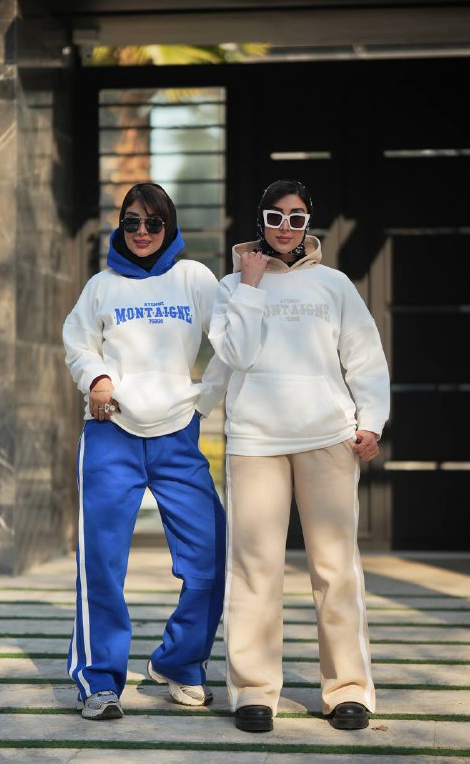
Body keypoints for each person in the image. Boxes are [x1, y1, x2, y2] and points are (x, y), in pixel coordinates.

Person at [208, 178, 390, 734]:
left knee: (335, 568)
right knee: (255, 568)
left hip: (326, 438)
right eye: (274, 216)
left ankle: (348, 689)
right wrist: (250, 287)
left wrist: (370, 422)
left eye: (296, 218)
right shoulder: (231, 285)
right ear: (260, 220)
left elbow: (365, 356)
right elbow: (236, 355)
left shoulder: (334, 285)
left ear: (308, 223)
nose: (285, 227)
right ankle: (253, 690)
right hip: (256, 442)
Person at [62, 182, 229, 721]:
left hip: (178, 434)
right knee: (102, 564)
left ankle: (180, 661)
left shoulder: (195, 279)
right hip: (110, 433)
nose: (140, 232)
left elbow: (231, 343)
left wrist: (205, 399)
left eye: (152, 223)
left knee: (210, 555)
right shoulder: (101, 286)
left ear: (169, 226)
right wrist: (97, 378)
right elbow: (77, 341)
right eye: (131, 222)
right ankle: (98, 680)